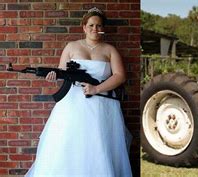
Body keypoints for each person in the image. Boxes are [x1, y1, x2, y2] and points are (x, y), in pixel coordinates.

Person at [26, 7, 132, 176]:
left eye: (98, 25)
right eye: (91, 25)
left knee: (99, 145)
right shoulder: (71, 46)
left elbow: (120, 76)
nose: (95, 29)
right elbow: (62, 72)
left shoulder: (110, 50)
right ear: (84, 27)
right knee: (67, 143)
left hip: (101, 105)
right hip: (72, 105)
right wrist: (54, 76)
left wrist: (96, 88)